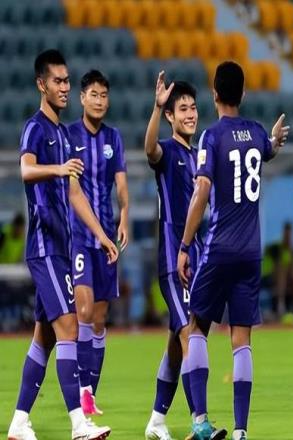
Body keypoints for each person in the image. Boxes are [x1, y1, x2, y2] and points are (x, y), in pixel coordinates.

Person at [8, 49, 117, 440]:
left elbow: (74, 193)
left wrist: (102, 235)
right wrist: (57, 168)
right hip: (44, 246)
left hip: (63, 248)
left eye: (67, 80)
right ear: (42, 85)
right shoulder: (35, 128)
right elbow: (25, 169)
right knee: (70, 326)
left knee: (46, 336)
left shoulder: (64, 134)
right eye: (58, 81)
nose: (65, 87)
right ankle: (78, 423)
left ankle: (19, 422)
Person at [177, 61, 289, 440]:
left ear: (214, 94)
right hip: (251, 253)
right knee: (241, 341)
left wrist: (185, 244)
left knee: (196, 327)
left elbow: (202, 191)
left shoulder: (211, 137)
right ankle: (241, 431)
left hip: (219, 247)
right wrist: (274, 141)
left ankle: (200, 421)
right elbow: (265, 150)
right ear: (243, 93)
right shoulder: (255, 133)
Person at [67, 69, 129, 415]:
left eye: (104, 95)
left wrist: (125, 214)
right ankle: (83, 392)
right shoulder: (69, 135)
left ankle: (90, 390)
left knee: (101, 320)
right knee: (85, 312)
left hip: (107, 239)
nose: (99, 101)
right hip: (80, 237)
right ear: (82, 98)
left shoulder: (113, 138)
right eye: (93, 94)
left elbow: (121, 184)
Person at [143, 72, 202, 440]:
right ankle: (199, 420)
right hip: (171, 258)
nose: (190, 114)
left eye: (193, 107)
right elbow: (149, 149)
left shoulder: (199, 156)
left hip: (195, 258)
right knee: (188, 334)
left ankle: (157, 420)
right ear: (170, 116)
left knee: (176, 343)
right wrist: (155, 107)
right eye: (182, 109)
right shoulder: (167, 152)